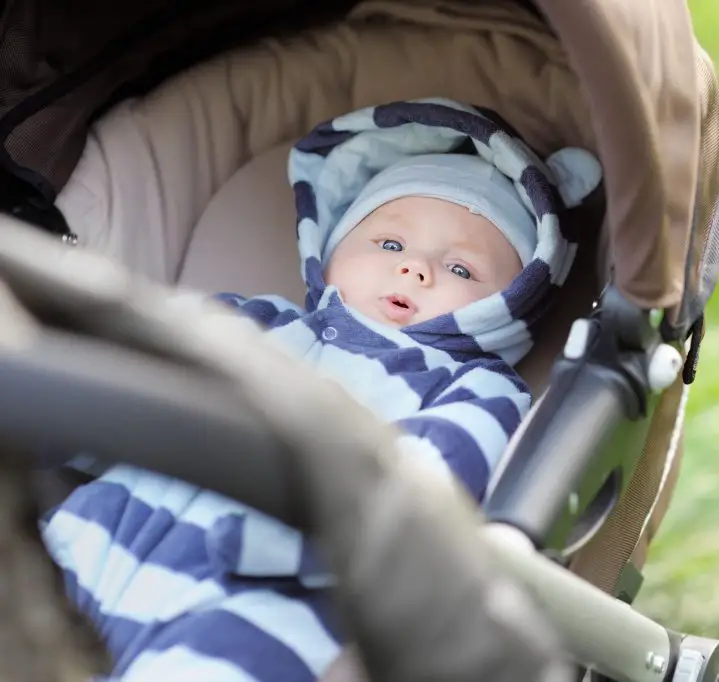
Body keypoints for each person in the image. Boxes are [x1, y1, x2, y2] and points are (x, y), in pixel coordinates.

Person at [41, 98, 602, 682]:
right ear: (331, 250)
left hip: (262, 598)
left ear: (513, 305)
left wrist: (288, 542)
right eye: (390, 245)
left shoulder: (476, 390)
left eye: (461, 269)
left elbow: (419, 494)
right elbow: (132, 391)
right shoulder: (248, 322)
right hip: (91, 538)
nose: (415, 269)